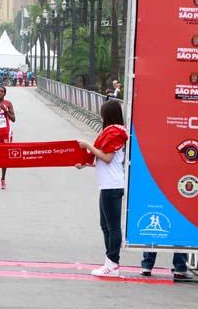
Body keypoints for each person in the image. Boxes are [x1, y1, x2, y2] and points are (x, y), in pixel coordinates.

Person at [75, 100, 128, 277]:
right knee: (105, 225)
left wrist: (88, 146)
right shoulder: (112, 132)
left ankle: (113, 264)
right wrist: (86, 164)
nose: (100, 115)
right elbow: (104, 161)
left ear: (108, 114)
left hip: (113, 185)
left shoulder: (116, 133)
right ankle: (109, 262)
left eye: (102, 112)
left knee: (112, 226)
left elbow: (107, 158)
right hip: (107, 184)